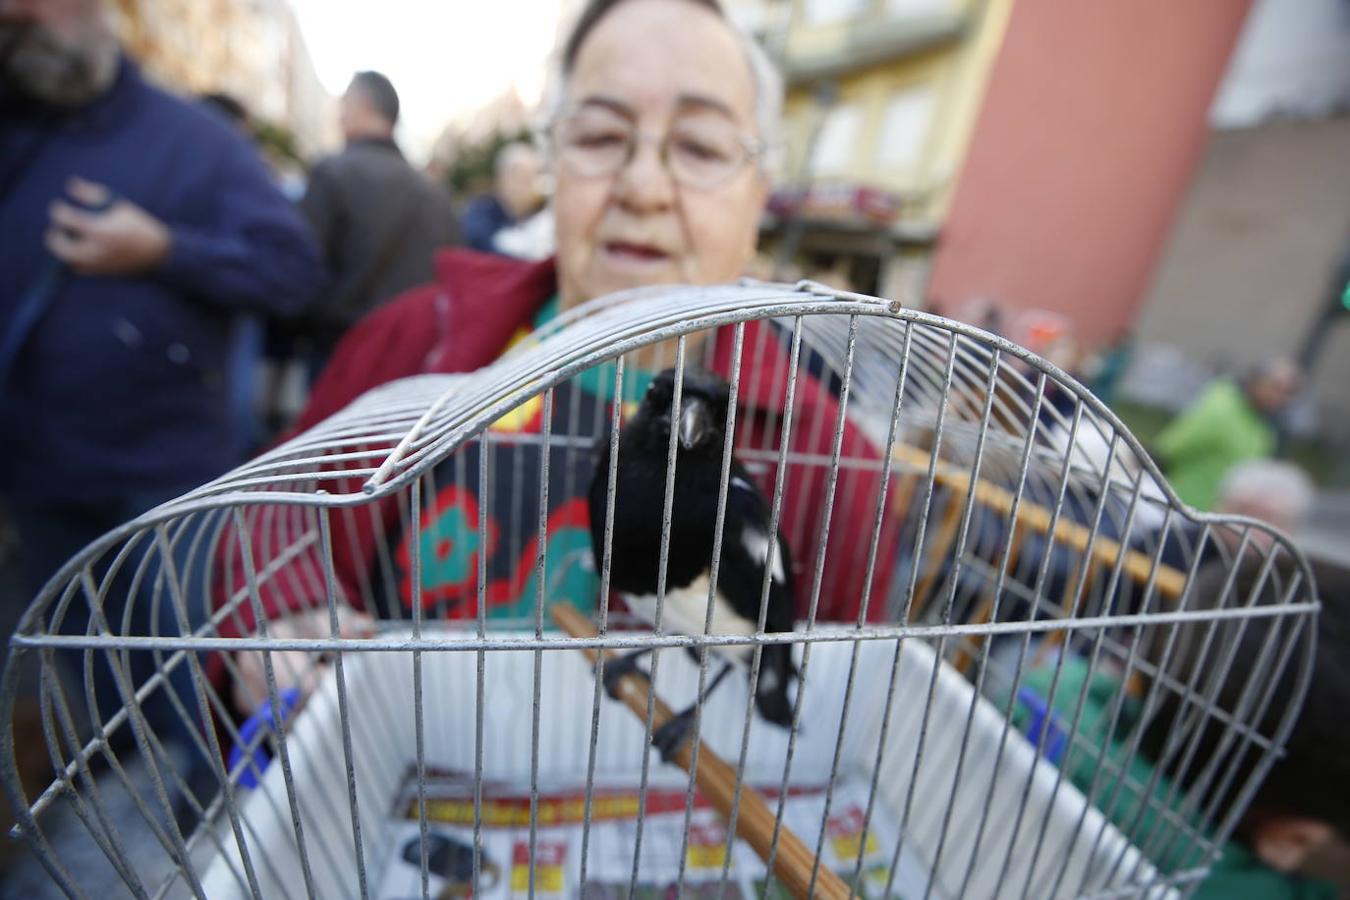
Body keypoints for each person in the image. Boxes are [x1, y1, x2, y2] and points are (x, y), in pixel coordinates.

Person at [214, 0, 902, 714]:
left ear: (759, 193)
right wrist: (283, 614)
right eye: (601, 136)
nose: (642, 188)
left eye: (700, 148)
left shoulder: (833, 460)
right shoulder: (415, 344)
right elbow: (280, 506)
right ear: (552, 161)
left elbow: (833, 708)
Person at [0, 0, 325, 743]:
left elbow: (295, 272)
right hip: (40, 479)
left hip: (162, 483)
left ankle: (202, 800)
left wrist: (163, 251)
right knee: (92, 679)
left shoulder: (192, 143)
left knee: (191, 688)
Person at [298, 70, 457, 376]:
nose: (339, 118)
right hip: (414, 368)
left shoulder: (331, 176)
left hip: (340, 359)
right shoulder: (434, 194)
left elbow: (301, 271)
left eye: (343, 107)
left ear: (362, 107)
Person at [1153, 358, 1300, 512]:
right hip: (1178, 508)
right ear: (1256, 381)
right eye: (1276, 387)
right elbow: (1169, 449)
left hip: (1217, 520)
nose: (1282, 398)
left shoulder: (1266, 427)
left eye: (1289, 392)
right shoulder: (1222, 407)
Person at [460, 141, 544, 254]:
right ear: (500, 178)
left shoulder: (526, 219)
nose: (526, 187)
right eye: (519, 176)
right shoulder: (480, 216)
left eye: (531, 178)